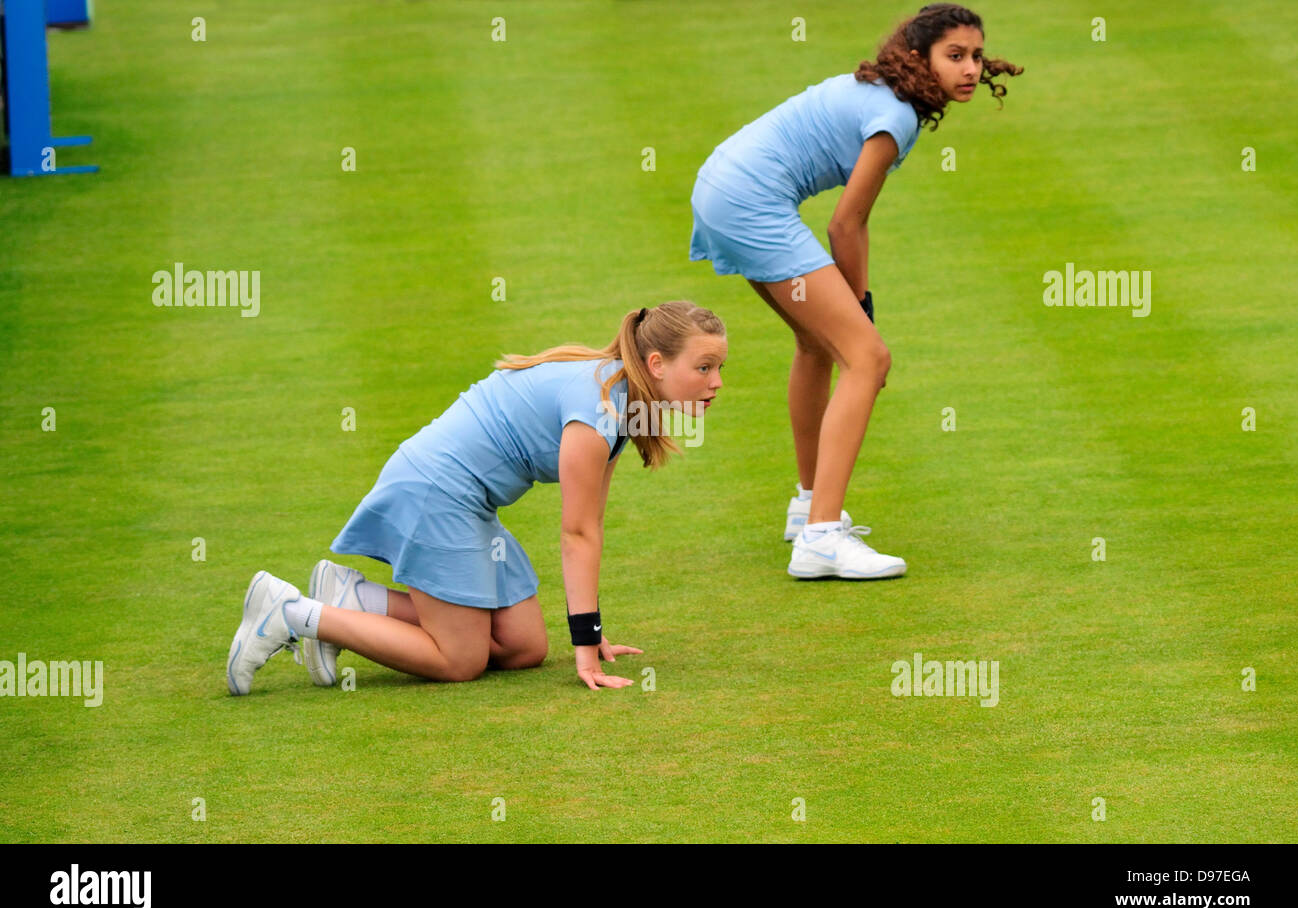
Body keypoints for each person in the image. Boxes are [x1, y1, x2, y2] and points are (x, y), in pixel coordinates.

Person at [226, 301, 727, 694]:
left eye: (719, 367)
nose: (716, 383)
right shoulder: (599, 409)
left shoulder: (620, 400)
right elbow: (576, 535)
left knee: (522, 646)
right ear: (657, 364)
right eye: (704, 367)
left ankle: (353, 599)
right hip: (436, 492)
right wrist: (585, 650)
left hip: (467, 501)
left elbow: (590, 524)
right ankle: (292, 613)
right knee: (459, 660)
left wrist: (591, 632)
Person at [688, 3, 1021, 579]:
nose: (970, 69)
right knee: (868, 357)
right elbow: (846, 223)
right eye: (955, 56)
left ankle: (807, 506)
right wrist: (862, 312)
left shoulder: (885, 95)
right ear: (918, 59)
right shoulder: (898, 117)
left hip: (721, 187)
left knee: (819, 345)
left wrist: (852, 310)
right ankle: (820, 537)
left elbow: (846, 226)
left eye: (975, 56)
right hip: (749, 202)